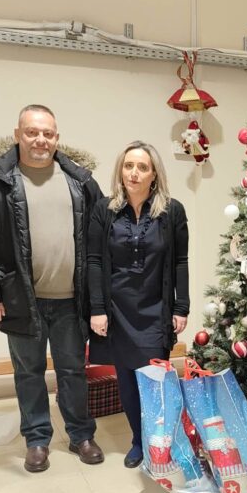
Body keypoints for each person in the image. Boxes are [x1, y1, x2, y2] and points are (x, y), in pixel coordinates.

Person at [0, 104, 103, 473]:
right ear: (17, 135)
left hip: (72, 301)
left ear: (57, 137)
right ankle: (37, 439)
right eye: (32, 132)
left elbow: (100, 239)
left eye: (48, 133)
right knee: (29, 373)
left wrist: (100, 297)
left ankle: (81, 435)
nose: (41, 139)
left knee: (73, 371)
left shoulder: (80, 181)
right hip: (21, 300)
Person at [86, 141, 189, 468]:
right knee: (127, 380)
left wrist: (181, 306)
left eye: (142, 167)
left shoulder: (172, 211)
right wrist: (97, 308)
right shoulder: (104, 210)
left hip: (155, 309)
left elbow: (181, 261)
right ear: (121, 170)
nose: (134, 173)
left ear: (154, 174)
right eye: (128, 165)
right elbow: (93, 261)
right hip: (118, 310)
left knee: (154, 379)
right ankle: (138, 441)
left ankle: (159, 439)